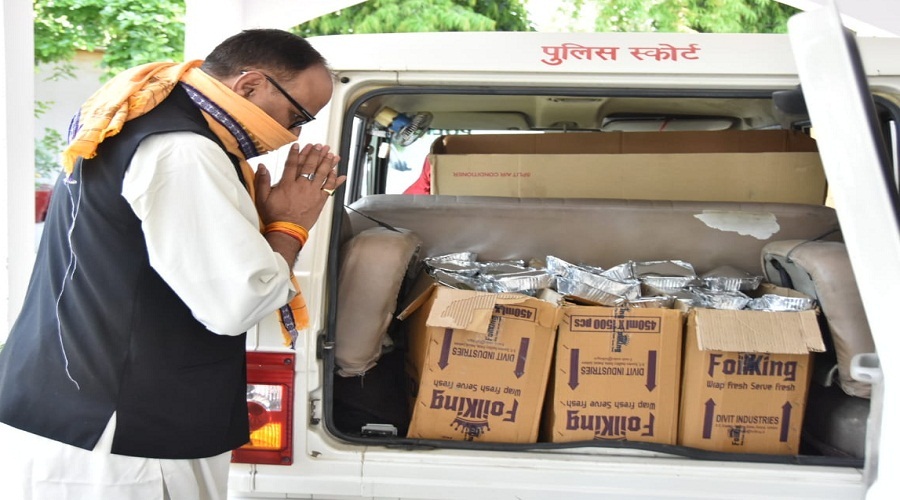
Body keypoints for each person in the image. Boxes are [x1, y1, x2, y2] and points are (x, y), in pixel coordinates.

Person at [0, 29, 345, 499]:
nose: (294, 135)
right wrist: (290, 225)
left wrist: (253, 225)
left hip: (73, 409)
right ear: (248, 86)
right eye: (296, 115)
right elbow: (234, 305)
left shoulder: (138, 119)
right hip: (123, 441)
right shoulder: (185, 150)